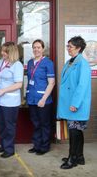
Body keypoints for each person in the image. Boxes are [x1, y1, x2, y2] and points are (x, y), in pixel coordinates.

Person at [57, 36, 91, 169]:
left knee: (74, 132)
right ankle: (79, 156)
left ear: (78, 48)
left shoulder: (82, 63)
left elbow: (82, 86)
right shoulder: (70, 62)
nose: (68, 48)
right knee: (77, 131)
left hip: (76, 105)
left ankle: (72, 159)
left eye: (70, 46)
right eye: (67, 46)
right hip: (69, 103)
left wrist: (75, 104)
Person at [0, 41, 23, 158]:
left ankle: (9, 149)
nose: (2, 53)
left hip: (10, 101)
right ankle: (3, 145)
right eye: (2, 50)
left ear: (11, 52)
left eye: (5, 51)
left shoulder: (17, 65)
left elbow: (19, 84)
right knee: (2, 124)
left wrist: (3, 91)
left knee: (9, 126)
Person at [26, 39, 55, 155]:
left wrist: (43, 99)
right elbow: (29, 80)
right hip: (32, 97)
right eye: (34, 47)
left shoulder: (48, 63)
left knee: (44, 124)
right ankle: (37, 144)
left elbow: (51, 83)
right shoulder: (29, 62)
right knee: (36, 123)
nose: (36, 49)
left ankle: (44, 146)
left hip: (43, 99)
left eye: (38, 47)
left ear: (43, 49)